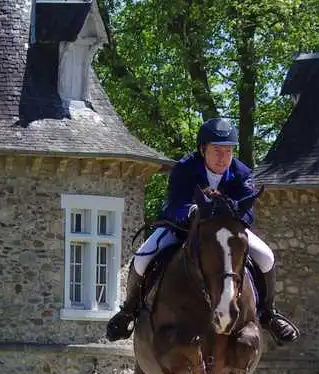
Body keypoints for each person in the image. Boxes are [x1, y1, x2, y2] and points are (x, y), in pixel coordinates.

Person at [105, 117, 300, 345]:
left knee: (267, 257)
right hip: (183, 229)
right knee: (142, 258)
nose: (222, 157)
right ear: (202, 149)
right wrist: (193, 211)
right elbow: (175, 204)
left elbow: (247, 213)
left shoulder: (242, 173)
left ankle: (268, 313)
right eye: (216, 150)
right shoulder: (184, 169)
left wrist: (227, 210)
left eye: (228, 151)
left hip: (226, 233)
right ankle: (129, 310)